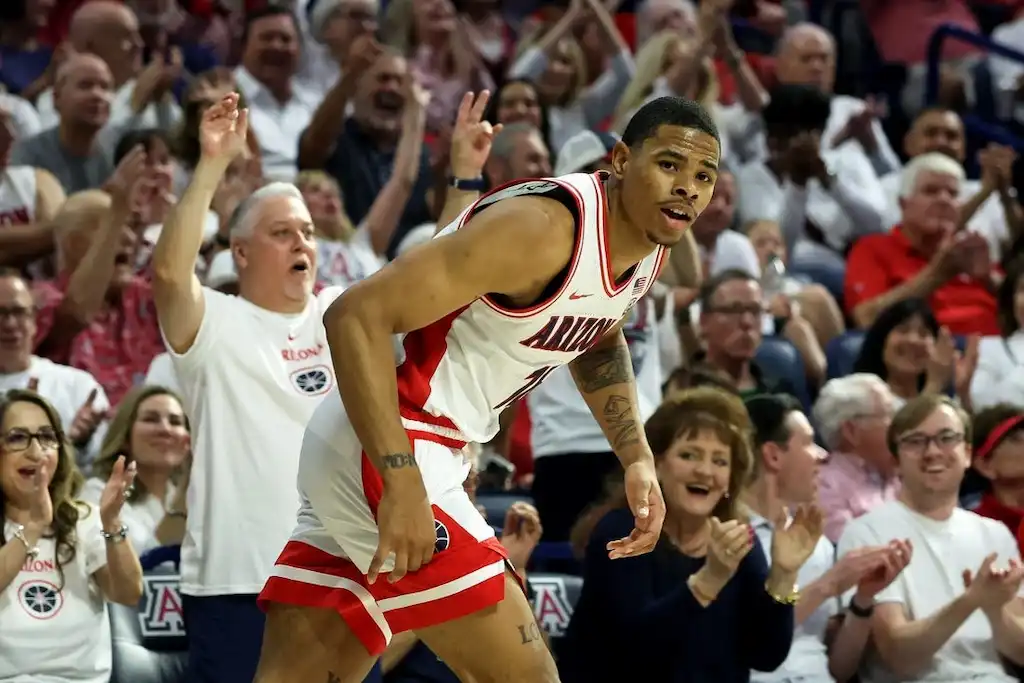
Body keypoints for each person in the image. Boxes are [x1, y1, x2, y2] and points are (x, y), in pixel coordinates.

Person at [254, 93, 723, 683]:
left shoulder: (646, 244)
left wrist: (635, 455)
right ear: (623, 159)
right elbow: (353, 316)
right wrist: (399, 478)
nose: (687, 187)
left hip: (399, 450)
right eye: (670, 165)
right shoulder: (544, 228)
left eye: (704, 176)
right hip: (391, 443)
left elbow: (597, 333)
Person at [562, 387, 820, 683]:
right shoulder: (623, 531)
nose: (705, 471)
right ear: (656, 466)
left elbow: (765, 655)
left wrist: (783, 576)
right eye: (689, 455)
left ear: (729, 481)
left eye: (720, 461)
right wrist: (708, 580)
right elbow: (636, 650)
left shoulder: (738, 541)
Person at [837, 394, 1024, 681]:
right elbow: (899, 657)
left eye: (947, 437)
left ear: (967, 454)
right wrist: (970, 600)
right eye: (915, 441)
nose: (933, 451)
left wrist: (994, 611)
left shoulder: (994, 534)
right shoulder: (867, 533)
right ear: (896, 461)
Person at [742, 393, 911, 683]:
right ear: (772, 455)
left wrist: (863, 598)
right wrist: (827, 585)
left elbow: (840, 669)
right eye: (808, 442)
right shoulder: (725, 535)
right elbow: (747, 643)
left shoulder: (815, 541)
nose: (823, 454)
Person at [0, 388, 142, 683]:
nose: (36, 452)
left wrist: (112, 522)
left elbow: (128, 594)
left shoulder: (84, 519)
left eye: (46, 437)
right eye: (17, 437)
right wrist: (36, 525)